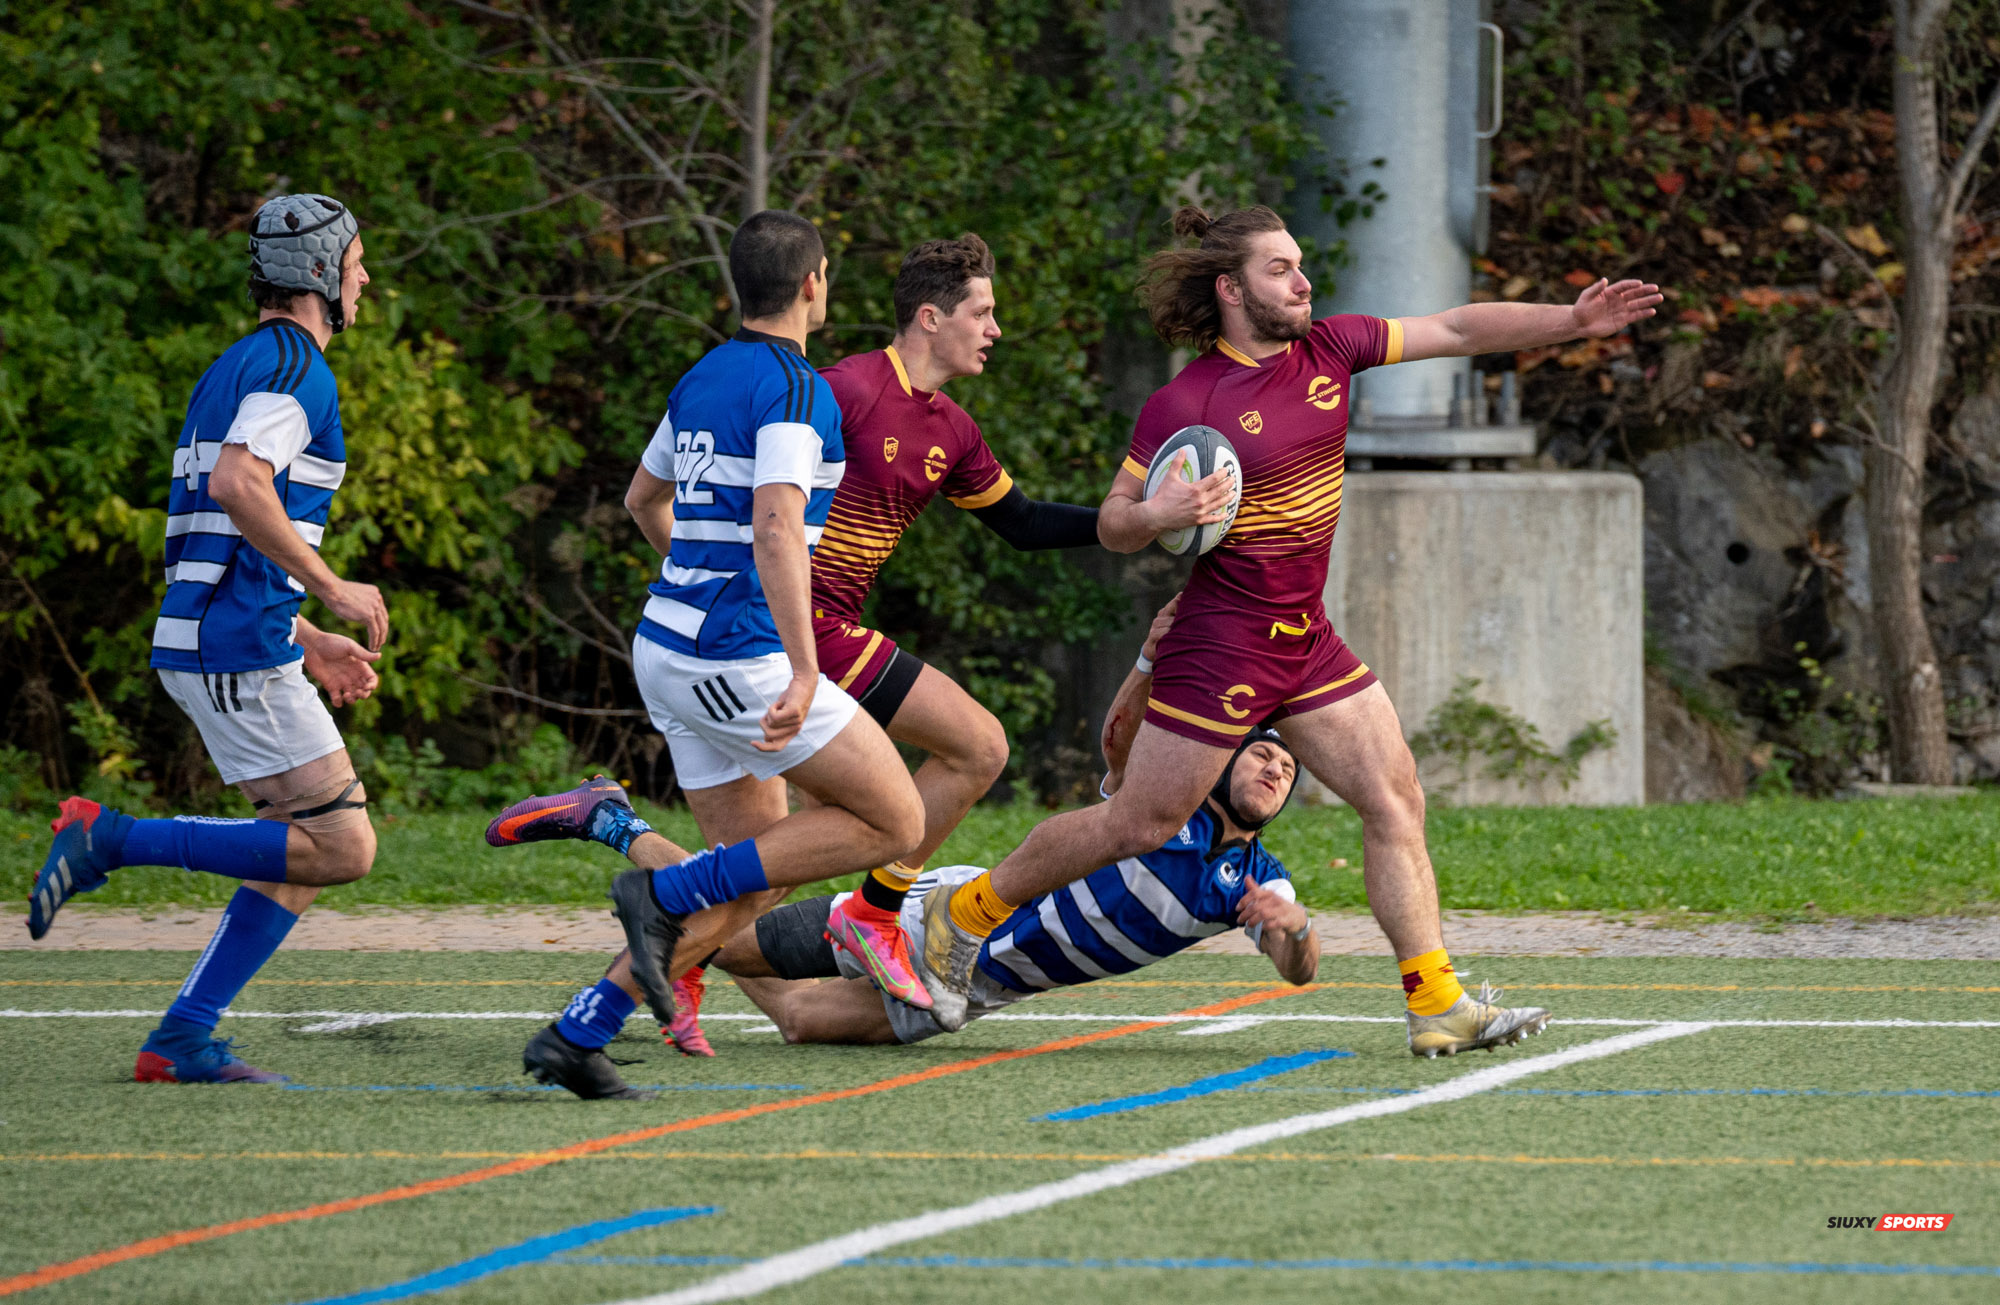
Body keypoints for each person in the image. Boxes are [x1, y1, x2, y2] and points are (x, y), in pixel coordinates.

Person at [919, 204, 1654, 1055]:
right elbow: (1118, 522)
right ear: (1231, 289)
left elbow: (1455, 326)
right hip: (1220, 640)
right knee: (1140, 824)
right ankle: (960, 913)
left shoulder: (1332, 349)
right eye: (1280, 269)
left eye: (1300, 265)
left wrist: (1571, 320)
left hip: (1303, 636)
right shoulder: (1186, 399)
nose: (1302, 281)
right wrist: (1156, 512)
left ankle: (1436, 999)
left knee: (1394, 796)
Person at [485, 210, 928, 1098]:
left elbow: (643, 497)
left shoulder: (703, 376)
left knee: (757, 877)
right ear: (813, 284)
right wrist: (804, 669)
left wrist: (695, 576)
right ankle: (662, 889)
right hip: (740, 659)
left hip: (668, 650)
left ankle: (579, 1032)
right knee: (897, 821)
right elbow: (775, 525)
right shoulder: (798, 388)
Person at [684, 232, 1101, 1021]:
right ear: (931, 316)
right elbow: (755, 501)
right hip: (804, 634)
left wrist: (1139, 520)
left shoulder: (952, 427)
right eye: (982, 311)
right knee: (978, 745)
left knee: (787, 860)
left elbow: (1024, 521)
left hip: (821, 634)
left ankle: (648, 908)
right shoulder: (842, 389)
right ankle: (872, 913)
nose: (995, 328)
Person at [25, 194, 388, 1083]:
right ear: (320, 278)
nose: (366, 278)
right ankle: (111, 838)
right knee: (343, 845)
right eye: (356, 263)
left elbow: (215, 540)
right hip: (230, 650)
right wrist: (331, 588)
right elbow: (239, 483)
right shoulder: (300, 367)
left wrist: (303, 635)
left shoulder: (238, 364)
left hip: (221, 636)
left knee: (295, 847)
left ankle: (181, 1036)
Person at [709, 600, 1322, 1047]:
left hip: (987, 988)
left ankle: (671, 900)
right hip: (933, 916)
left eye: (1288, 770)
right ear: (1224, 764)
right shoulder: (1162, 803)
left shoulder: (1257, 882)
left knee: (798, 1021)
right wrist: (1147, 661)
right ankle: (638, 847)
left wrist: (1295, 931)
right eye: (1263, 755)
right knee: (727, 944)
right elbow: (1119, 742)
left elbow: (1297, 969)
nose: (1275, 771)